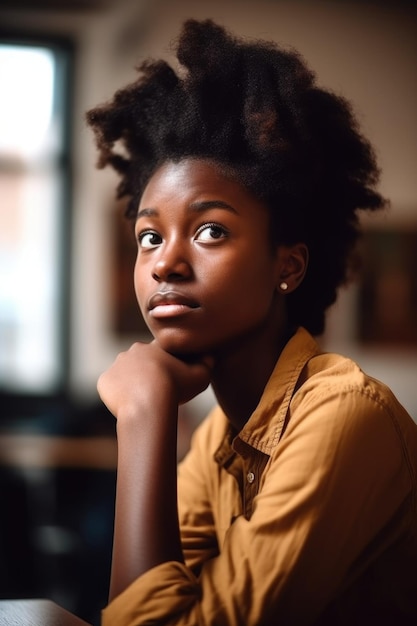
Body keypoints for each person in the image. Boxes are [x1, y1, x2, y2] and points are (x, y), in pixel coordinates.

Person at [86, 18, 417, 625]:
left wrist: (143, 415)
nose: (166, 262)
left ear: (286, 266)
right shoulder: (221, 437)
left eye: (211, 230)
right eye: (149, 236)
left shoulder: (344, 416)